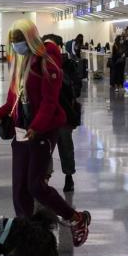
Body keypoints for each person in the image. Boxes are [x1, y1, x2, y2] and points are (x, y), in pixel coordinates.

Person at [0, 19, 91, 246]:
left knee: (35, 185)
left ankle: (76, 218)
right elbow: (13, 97)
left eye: (19, 40)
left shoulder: (48, 61)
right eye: (13, 41)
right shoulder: (19, 62)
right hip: (21, 129)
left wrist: (36, 128)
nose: (16, 45)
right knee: (19, 188)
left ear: (30, 38)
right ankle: (24, 233)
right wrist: (1, 112)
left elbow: (49, 101)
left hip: (43, 130)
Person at [43, 34, 81, 192]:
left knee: (65, 147)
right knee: (45, 150)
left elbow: (77, 88)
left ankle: (69, 176)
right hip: (46, 116)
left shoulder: (68, 65)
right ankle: (44, 178)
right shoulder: (40, 64)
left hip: (64, 114)